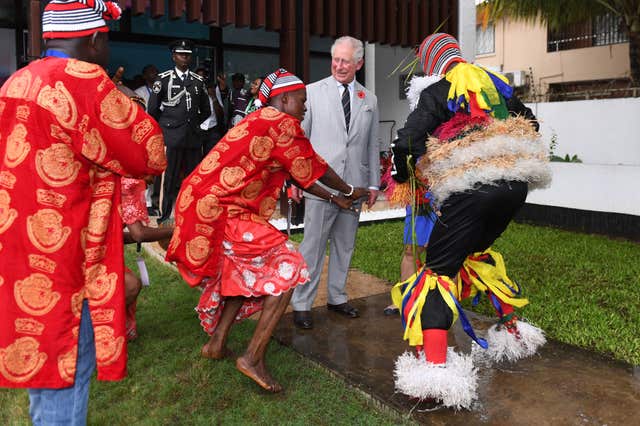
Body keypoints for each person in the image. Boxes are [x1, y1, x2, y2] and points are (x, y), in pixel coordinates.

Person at [0, 1, 167, 424]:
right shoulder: (86, 82)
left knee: (44, 363)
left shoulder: (15, 82)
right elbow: (148, 154)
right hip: (69, 255)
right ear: (95, 39)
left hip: (18, 250)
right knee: (68, 369)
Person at [165, 68, 369, 393]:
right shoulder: (280, 122)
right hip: (220, 210)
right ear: (285, 99)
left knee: (243, 275)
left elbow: (300, 172)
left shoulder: (261, 120)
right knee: (289, 266)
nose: (304, 109)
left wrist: (335, 197)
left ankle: (216, 344)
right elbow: (314, 167)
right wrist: (347, 190)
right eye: (302, 102)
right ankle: (252, 357)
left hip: (206, 204)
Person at [389, 33, 551, 408]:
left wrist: (403, 174)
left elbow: (407, 143)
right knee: (475, 253)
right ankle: (513, 333)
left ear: (433, 63)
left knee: (436, 273)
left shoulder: (439, 92)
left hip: (471, 192)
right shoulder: (498, 88)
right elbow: (531, 125)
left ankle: (435, 373)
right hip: (514, 189)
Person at [290, 36, 380, 329]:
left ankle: (337, 297)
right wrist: (295, 179)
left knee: (345, 245)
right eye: (336, 60)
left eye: (346, 61)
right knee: (312, 246)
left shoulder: (370, 99)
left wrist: (374, 184)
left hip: (354, 185)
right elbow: (299, 141)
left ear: (359, 63)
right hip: (320, 186)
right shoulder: (311, 93)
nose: (339, 66)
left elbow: (371, 143)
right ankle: (302, 303)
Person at [147, 39, 211, 224]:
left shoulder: (198, 81)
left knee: (193, 180)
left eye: (188, 54)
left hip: (192, 137)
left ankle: (191, 216)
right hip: (170, 136)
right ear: (174, 56)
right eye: (181, 54)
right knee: (168, 180)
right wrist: (167, 126)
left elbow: (206, 110)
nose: (185, 57)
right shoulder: (164, 78)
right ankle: (164, 216)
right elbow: (153, 110)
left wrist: (193, 125)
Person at [121, 176, 174, 340]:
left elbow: (113, 235)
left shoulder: (119, 179)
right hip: (90, 257)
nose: (155, 179)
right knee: (131, 285)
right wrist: (174, 231)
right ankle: (105, 328)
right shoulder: (131, 184)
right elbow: (139, 234)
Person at [134, 64, 161, 216]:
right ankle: (145, 203)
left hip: (158, 134)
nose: (154, 74)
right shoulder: (139, 92)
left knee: (154, 169)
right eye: (151, 72)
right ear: (144, 76)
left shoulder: (161, 91)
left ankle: (152, 200)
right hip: (143, 135)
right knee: (144, 170)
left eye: (156, 71)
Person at [201, 80, 225, 156]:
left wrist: (213, 97)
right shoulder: (198, 94)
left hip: (213, 128)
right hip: (200, 129)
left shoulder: (215, 92)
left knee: (213, 154)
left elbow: (221, 113)